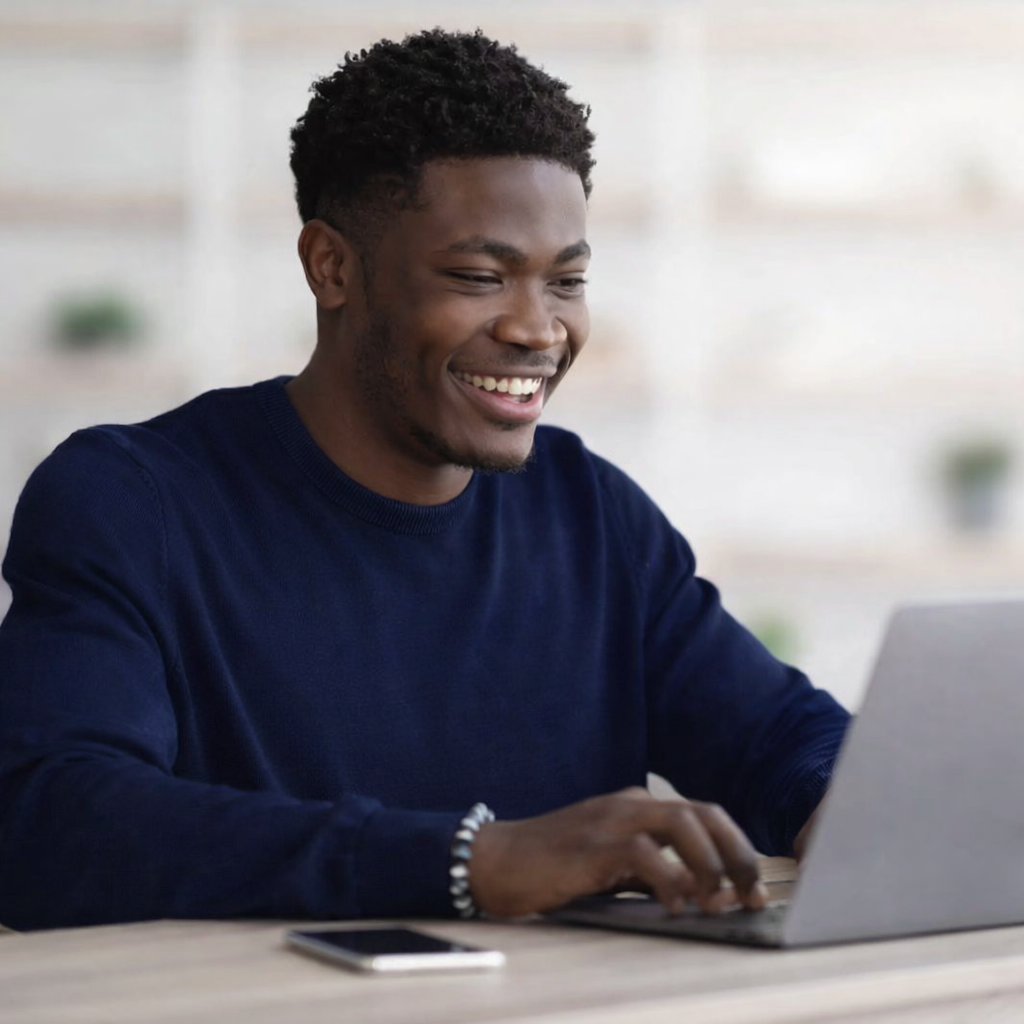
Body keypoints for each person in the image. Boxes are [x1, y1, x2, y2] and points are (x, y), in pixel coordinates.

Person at [0, 29, 849, 931]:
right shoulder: (132, 501)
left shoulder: (589, 510)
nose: (539, 330)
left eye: (566, 282)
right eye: (481, 276)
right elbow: (51, 824)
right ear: (332, 267)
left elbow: (783, 738)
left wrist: (842, 805)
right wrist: (470, 862)